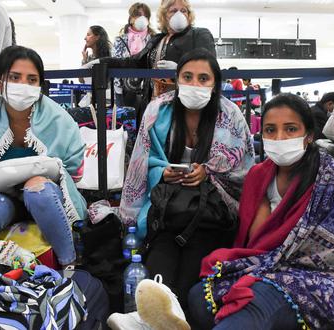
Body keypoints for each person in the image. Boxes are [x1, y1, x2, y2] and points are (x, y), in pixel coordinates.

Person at [183, 93, 334, 329]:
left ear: (309, 136)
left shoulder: (329, 177)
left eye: (290, 129)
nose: (279, 138)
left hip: (321, 274)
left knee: (256, 302)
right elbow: (256, 242)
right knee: (199, 298)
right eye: (270, 130)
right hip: (266, 264)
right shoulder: (258, 176)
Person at [109, 49, 254, 328]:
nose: (195, 85)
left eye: (203, 78)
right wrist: (161, 171)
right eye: (188, 77)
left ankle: (146, 320)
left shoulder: (230, 116)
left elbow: (242, 174)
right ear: (177, 79)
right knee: (162, 255)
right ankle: (151, 317)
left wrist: (207, 173)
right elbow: (141, 162)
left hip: (210, 215)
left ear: (215, 83)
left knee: (187, 272)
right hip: (166, 210)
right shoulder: (157, 110)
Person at [0, 46, 87, 270]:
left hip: (49, 197)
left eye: (32, 79)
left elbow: (74, 171)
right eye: (15, 77)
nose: (23, 85)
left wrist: (45, 179)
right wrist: (5, 185)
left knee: (38, 189)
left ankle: (70, 265)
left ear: (41, 85)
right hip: (3, 198)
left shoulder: (60, 120)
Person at [87, 0, 216, 123]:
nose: (179, 14)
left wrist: (180, 70)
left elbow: (210, 67)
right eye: (173, 11)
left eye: (184, 10)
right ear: (164, 16)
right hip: (155, 107)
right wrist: (101, 61)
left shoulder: (199, 34)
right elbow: (133, 62)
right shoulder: (157, 40)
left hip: (185, 107)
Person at [112, 2, 155, 107]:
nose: (142, 18)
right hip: (123, 90)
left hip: (149, 89)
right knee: (125, 121)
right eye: (139, 15)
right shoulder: (120, 40)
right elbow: (116, 63)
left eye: (145, 16)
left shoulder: (154, 39)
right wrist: (118, 91)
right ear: (131, 18)